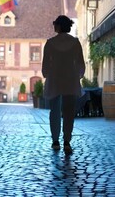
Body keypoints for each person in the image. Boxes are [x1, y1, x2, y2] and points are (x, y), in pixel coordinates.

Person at [42, 15, 85, 154]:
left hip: (54, 79)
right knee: (68, 112)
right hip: (70, 80)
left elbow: (45, 65)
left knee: (54, 111)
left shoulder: (50, 43)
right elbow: (80, 63)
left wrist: (47, 74)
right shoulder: (75, 42)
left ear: (59, 26)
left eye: (55, 24)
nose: (54, 26)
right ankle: (67, 141)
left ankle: (55, 141)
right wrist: (78, 75)